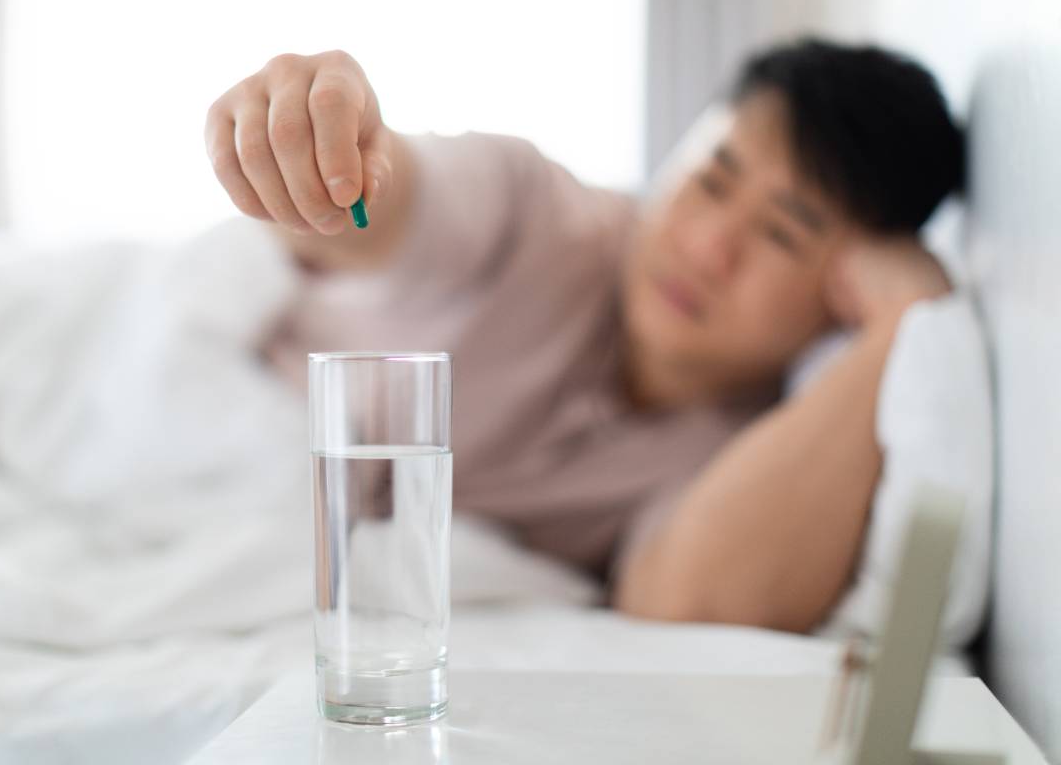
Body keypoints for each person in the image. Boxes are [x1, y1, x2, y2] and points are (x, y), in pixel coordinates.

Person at [203, 38, 962, 633]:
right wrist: (322, 150)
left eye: (781, 235)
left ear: (844, 291)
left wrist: (899, 329)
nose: (708, 248)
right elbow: (393, 209)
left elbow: (687, 602)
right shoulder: (534, 211)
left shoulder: (747, 448)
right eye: (712, 179)